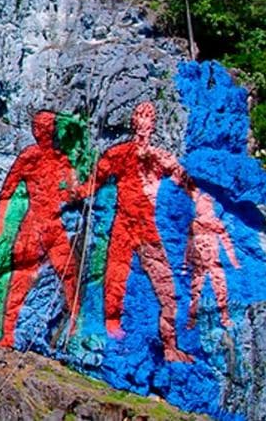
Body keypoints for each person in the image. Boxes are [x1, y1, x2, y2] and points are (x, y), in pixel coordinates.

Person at [88, 101, 196, 362]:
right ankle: (111, 326)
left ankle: (170, 345)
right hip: (124, 224)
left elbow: (186, 182)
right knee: (115, 276)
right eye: (140, 115)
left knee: (167, 288)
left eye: (150, 116)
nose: (145, 120)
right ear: (133, 121)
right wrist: (73, 192)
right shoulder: (119, 153)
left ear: (154, 124)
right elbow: (94, 181)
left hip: (147, 227)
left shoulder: (160, 158)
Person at [0, 111, 81, 349]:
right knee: (21, 277)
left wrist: (78, 188)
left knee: (69, 272)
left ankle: (74, 325)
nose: (46, 131)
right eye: (42, 127)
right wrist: (0, 221)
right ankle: (8, 333)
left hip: (54, 224)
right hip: (34, 224)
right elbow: (8, 189)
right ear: (36, 130)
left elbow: (72, 192)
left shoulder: (61, 159)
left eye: (49, 127)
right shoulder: (29, 156)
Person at [186, 190, 239, 328]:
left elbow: (227, 242)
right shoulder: (195, 224)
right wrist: (186, 264)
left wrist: (234, 262)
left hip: (213, 262)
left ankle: (224, 318)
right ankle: (191, 320)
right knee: (196, 291)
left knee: (220, 289)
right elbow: (189, 245)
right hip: (200, 262)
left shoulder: (215, 223)